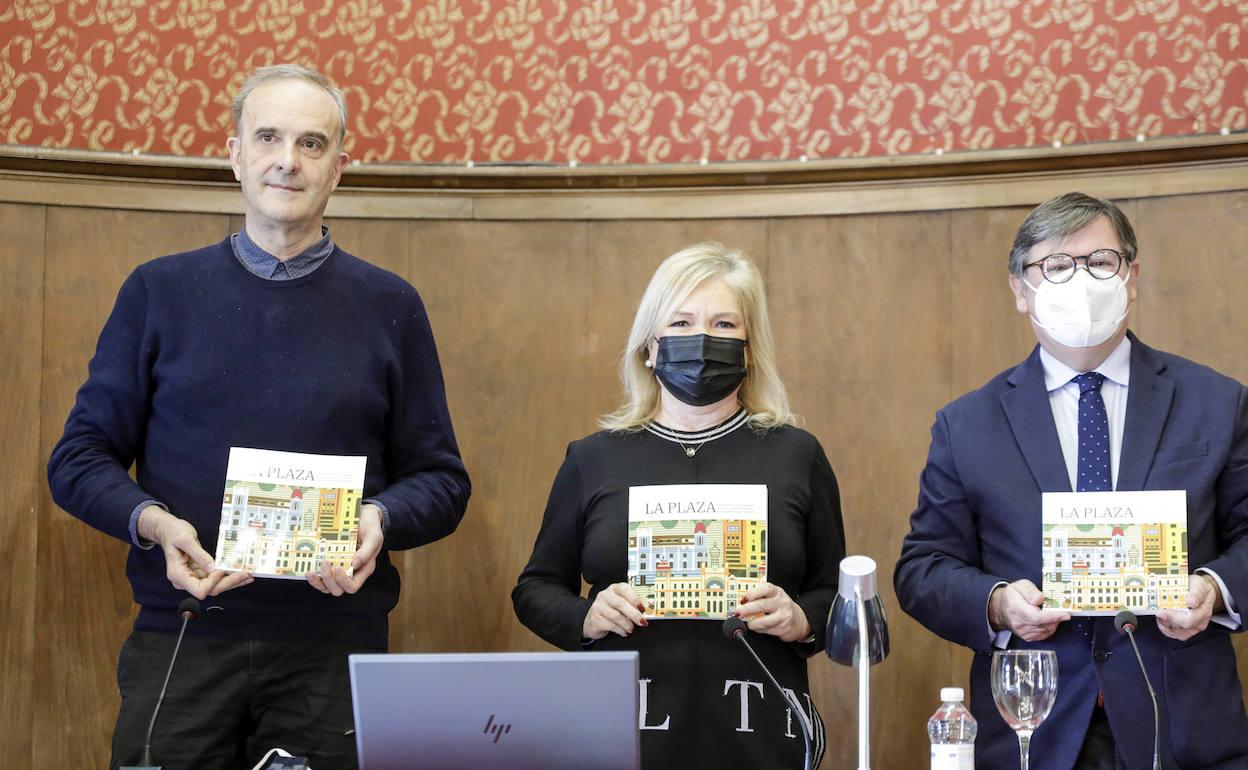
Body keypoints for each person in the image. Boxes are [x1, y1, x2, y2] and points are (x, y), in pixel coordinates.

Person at [47, 64, 471, 770]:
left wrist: (380, 520)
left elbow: (441, 480)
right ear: (234, 152)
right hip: (183, 633)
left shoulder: (390, 306)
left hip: (332, 649)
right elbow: (79, 459)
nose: (287, 160)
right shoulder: (158, 292)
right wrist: (157, 525)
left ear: (340, 166)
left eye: (311, 143)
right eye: (268, 137)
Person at [895, 192, 1248, 769]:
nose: (1081, 282)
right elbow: (922, 568)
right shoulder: (968, 424)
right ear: (1020, 289)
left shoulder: (1215, 403)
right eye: (1056, 267)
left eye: (1100, 263)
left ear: (1131, 278)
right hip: (1032, 726)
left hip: (1180, 727)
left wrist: (1212, 588)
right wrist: (999, 604)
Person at [512, 242, 846, 769]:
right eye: (682, 322)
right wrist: (587, 615)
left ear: (750, 346)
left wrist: (801, 617)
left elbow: (837, 591)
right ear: (650, 344)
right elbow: (534, 589)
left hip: (758, 738)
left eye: (723, 325)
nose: (701, 339)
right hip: (622, 733)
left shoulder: (796, 455)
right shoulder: (593, 459)